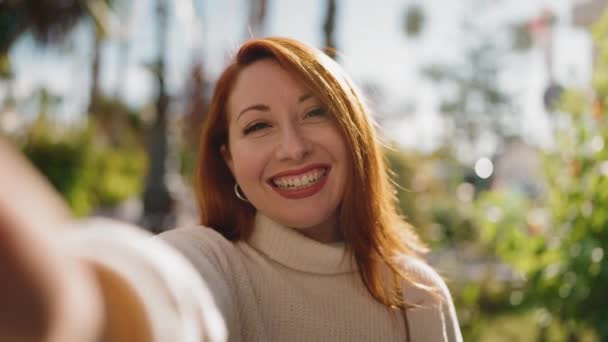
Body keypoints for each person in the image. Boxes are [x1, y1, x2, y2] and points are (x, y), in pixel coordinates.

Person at [0, 37, 462, 342]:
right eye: (258, 125)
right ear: (229, 160)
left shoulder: (418, 294)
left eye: (316, 113)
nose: (293, 147)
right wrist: (81, 301)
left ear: (355, 132)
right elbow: (161, 288)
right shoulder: (216, 261)